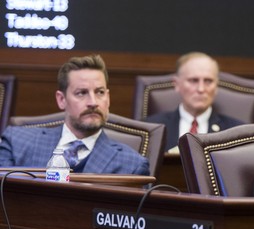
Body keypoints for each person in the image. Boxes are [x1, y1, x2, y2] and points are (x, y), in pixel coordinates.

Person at [0, 54, 150, 175]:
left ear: (108, 98)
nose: (93, 102)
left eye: (100, 92)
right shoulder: (17, 142)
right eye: (81, 93)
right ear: (61, 99)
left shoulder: (132, 165)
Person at [145, 52, 244, 152]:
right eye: (193, 80)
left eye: (208, 81)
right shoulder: (151, 128)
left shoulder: (236, 133)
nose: (201, 89)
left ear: (216, 86)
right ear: (177, 84)